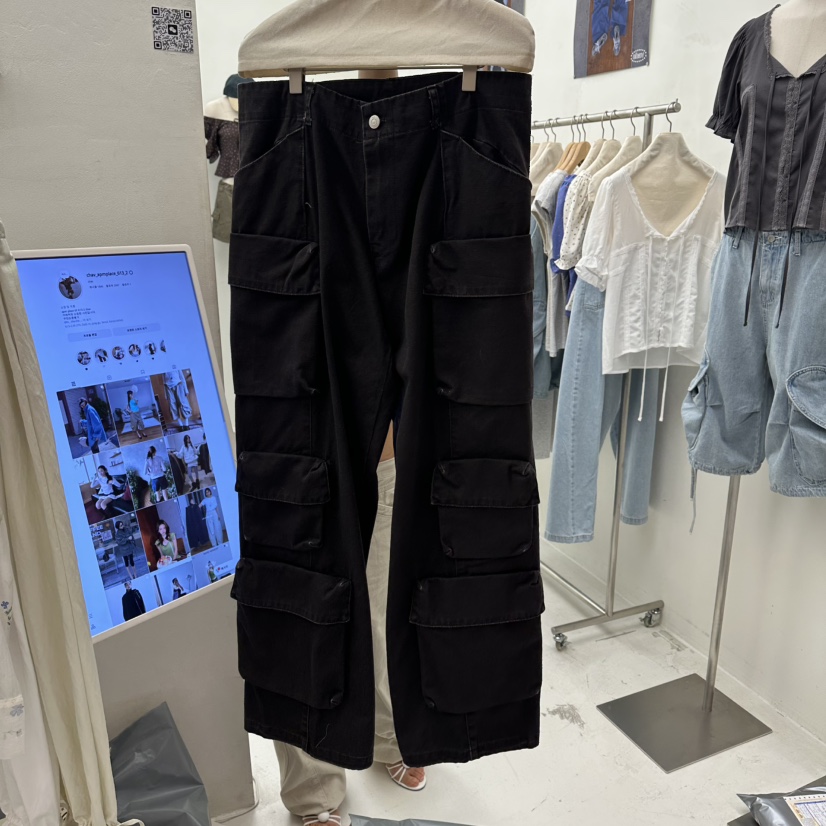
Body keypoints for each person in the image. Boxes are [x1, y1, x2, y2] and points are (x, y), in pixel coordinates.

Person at [273, 460, 426, 826]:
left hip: (377, 451)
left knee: (381, 612)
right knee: (297, 619)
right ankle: (313, 784)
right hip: (288, 451)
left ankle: (388, 732)